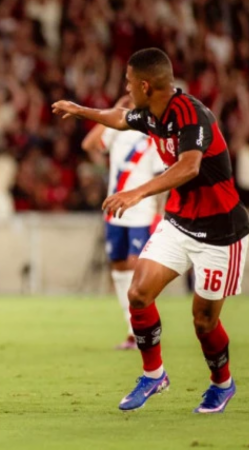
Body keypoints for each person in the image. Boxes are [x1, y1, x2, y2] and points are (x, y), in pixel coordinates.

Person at [53, 48, 249, 413]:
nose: (126, 88)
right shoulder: (152, 114)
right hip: (179, 223)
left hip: (221, 231)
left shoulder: (193, 115)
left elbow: (189, 167)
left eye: (129, 81)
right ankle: (154, 374)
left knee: (204, 322)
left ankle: (222, 384)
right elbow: (119, 118)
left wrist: (138, 192)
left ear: (145, 85)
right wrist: (81, 110)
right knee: (139, 293)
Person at [81, 95, 164, 350]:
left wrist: (160, 214)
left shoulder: (153, 136)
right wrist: (113, 111)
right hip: (114, 211)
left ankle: (143, 330)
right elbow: (89, 145)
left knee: (136, 268)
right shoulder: (117, 129)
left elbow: (161, 179)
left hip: (142, 211)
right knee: (118, 267)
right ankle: (131, 329)